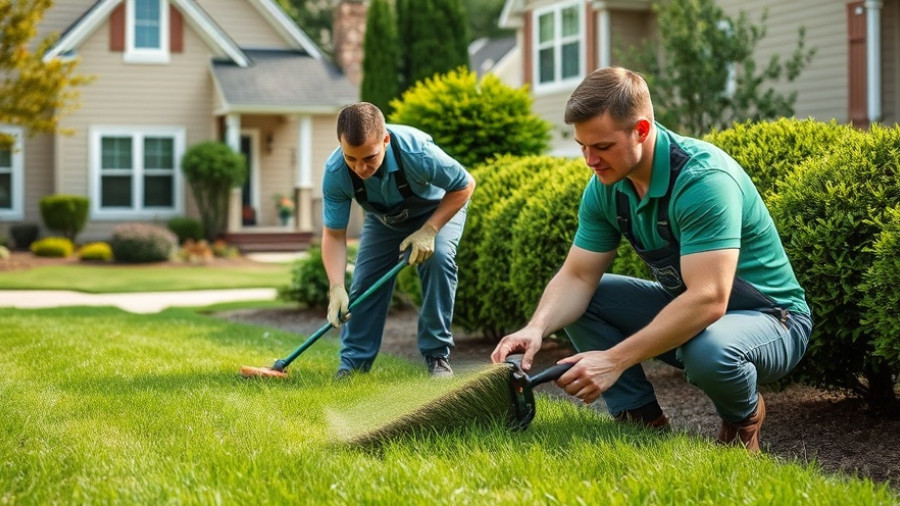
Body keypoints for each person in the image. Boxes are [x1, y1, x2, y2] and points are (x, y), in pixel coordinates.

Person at [490, 67, 812, 452]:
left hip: (772, 319)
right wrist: (537, 328)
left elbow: (709, 299)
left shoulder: (703, 180)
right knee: (589, 297)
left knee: (710, 352)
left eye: (602, 146)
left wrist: (613, 360)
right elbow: (577, 276)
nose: (590, 160)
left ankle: (744, 418)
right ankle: (641, 422)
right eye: (582, 146)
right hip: (695, 311)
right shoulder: (607, 187)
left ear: (641, 130)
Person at [322, 102, 475, 379]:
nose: (360, 168)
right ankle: (353, 364)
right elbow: (333, 235)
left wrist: (429, 230)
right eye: (351, 158)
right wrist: (336, 287)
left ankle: (437, 356)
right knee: (365, 282)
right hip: (385, 220)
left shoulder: (417, 152)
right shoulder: (336, 173)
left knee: (438, 260)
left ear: (386, 140)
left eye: (369, 157)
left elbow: (464, 185)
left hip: (436, 210)